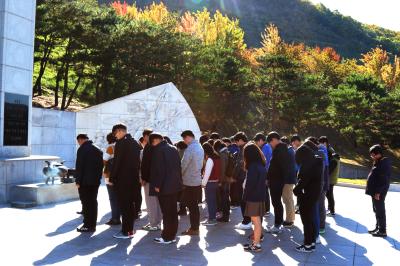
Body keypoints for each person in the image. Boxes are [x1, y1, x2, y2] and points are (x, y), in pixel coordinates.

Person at [149, 133, 183, 244]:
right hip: (174, 185)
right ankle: (172, 235)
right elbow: (178, 166)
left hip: (164, 187)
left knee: (167, 213)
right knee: (173, 212)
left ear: (155, 141)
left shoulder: (159, 150)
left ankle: (167, 237)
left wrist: (157, 185)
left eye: (152, 143)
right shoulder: (173, 148)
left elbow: (160, 170)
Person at [109, 124, 141, 239]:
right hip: (133, 179)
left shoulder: (122, 143)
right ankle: (130, 230)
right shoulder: (134, 142)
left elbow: (117, 162)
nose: (115, 136)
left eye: (115, 134)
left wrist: (112, 178)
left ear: (119, 131)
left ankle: (126, 231)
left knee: (125, 206)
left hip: (123, 180)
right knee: (130, 206)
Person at [293, 139, 323, 252]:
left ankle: (307, 245)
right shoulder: (316, 161)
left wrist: (296, 190)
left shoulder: (307, 165)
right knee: (310, 219)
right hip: (314, 194)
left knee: (306, 220)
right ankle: (312, 242)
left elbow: (303, 180)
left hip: (307, 195)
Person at [75, 134, 103, 233]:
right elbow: (101, 167)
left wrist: (77, 181)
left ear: (81, 140)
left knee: (86, 204)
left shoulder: (82, 149)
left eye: (78, 141)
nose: (78, 143)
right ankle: (92, 225)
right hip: (95, 182)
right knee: (93, 203)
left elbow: (79, 166)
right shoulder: (97, 149)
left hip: (85, 182)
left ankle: (87, 225)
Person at [242, 143, 267, 253]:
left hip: (253, 197)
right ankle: (255, 243)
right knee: (257, 222)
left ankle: (256, 245)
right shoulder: (261, 165)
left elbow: (250, 184)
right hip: (260, 196)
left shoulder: (253, 166)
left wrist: (245, 196)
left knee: (255, 222)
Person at [180, 130, 204, 236]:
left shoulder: (190, 148)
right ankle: (195, 227)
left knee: (192, 207)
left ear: (188, 137)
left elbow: (184, 164)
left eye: (184, 139)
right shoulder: (200, 146)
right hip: (197, 180)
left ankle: (194, 228)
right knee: (194, 207)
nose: (184, 141)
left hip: (189, 181)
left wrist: (179, 175)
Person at [266, 131, 290, 234]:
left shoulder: (280, 150)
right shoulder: (282, 149)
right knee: (277, 203)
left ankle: (277, 225)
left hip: (276, 180)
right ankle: (278, 223)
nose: (270, 145)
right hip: (277, 180)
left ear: (275, 140)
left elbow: (276, 167)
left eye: (270, 142)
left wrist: (268, 177)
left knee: (276, 203)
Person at [366, 144, 391, 238]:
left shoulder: (384, 163)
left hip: (378, 192)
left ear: (378, 154)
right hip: (375, 191)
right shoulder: (378, 161)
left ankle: (382, 231)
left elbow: (384, 180)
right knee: (376, 210)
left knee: (380, 210)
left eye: (373, 154)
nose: (371, 156)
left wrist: (378, 192)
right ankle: (378, 227)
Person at [141, 129, 162, 231]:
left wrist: (143, 178)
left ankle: (154, 223)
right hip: (159, 179)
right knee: (157, 202)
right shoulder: (160, 146)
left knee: (151, 202)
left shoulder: (148, 147)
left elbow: (145, 163)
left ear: (146, 136)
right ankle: (158, 223)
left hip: (149, 179)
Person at [232, 132, 252, 230]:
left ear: (240, 140)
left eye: (236, 141)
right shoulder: (250, 146)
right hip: (247, 177)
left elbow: (239, 165)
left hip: (242, 177)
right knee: (246, 200)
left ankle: (246, 221)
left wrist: (233, 176)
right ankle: (248, 220)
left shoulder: (243, 149)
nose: (236, 143)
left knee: (243, 200)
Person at [201, 142, 221, 226]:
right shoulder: (217, 157)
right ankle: (213, 217)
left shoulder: (210, 159)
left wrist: (203, 183)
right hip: (216, 182)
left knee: (210, 201)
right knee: (213, 201)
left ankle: (212, 219)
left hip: (210, 183)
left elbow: (207, 173)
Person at [103, 133, 121, 226]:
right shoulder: (121, 146)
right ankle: (119, 215)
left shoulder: (111, 147)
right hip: (120, 176)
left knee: (113, 198)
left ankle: (115, 218)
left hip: (110, 175)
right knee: (119, 197)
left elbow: (105, 160)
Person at [280, 136, 297, 228]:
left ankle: (289, 220)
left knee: (287, 200)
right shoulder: (291, 151)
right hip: (290, 179)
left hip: (288, 180)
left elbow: (287, 168)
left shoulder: (289, 152)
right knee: (289, 199)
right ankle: (291, 218)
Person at [254, 132, 271, 217]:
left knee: (264, 191)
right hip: (267, 171)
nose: (257, 144)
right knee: (265, 190)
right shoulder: (267, 146)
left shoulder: (265, 148)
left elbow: (263, 161)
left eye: (257, 142)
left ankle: (266, 209)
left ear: (261, 140)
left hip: (265, 171)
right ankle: (266, 209)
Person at [214, 140, 231, 222]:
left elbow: (222, 169)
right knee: (226, 197)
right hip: (227, 178)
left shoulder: (222, 154)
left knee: (224, 198)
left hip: (223, 179)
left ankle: (225, 216)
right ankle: (227, 214)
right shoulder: (227, 152)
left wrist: (220, 181)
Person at [317, 136, 330, 235]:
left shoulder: (321, 157)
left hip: (322, 185)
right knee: (320, 205)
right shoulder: (324, 156)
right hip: (323, 184)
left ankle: (321, 226)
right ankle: (321, 225)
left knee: (320, 205)